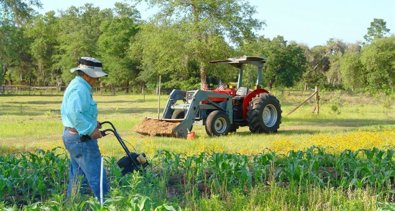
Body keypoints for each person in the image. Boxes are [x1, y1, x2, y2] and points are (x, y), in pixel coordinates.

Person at [61, 57, 109, 200]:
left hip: (74, 137)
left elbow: (81, 112)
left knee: (77, 175)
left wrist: (94, 123)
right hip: (81, 139)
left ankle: (73, 205)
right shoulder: (79, 88)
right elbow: (74, 113)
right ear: (87, 75)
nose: (97, 80)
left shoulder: (79, 86)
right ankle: (105, 205)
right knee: (97, 175)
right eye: (96, 77)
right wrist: (90, 129)